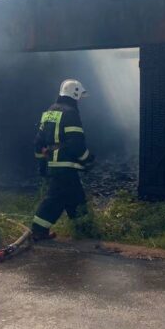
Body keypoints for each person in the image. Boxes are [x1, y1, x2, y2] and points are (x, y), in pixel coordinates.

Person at [31, 79, 95, 240]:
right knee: (55, 198)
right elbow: (76, 143)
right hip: (66, 164)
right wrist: (87, 159)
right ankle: (38, 230)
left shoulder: (49, 112)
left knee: (75, 196)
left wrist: (42, 166)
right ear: (74, 94)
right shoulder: (71, 113)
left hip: (54, 164)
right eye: (79, 96)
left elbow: (38, 143)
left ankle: (83, 229)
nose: (80, 100)